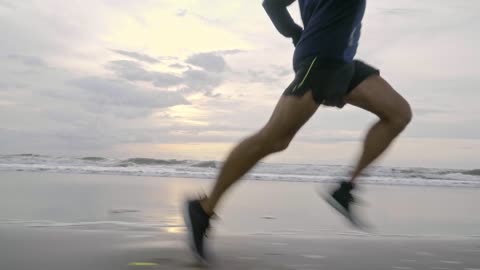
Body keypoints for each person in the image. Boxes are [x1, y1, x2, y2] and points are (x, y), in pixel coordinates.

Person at [183, 0, 412, 263]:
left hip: (342, 62)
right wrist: (296, 33)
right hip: (320, 60)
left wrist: (295, 33)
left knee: (398, 113)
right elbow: (271, 3)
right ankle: (204, 207)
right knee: (273, 139)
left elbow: (273, 5)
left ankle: (346, 188)